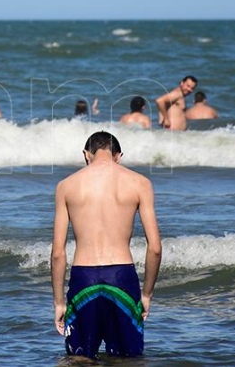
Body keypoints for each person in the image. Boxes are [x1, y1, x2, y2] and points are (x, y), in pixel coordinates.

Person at [51, 131, 161, 358]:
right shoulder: (140, 183)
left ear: (86, 154)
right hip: (121, 277)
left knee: (78, 358)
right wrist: (147, 294)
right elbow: (155, 248)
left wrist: (59, 302)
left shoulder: (66, 186)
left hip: (83, 278)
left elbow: (58, 253)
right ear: (118, 156)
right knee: (128, 359)